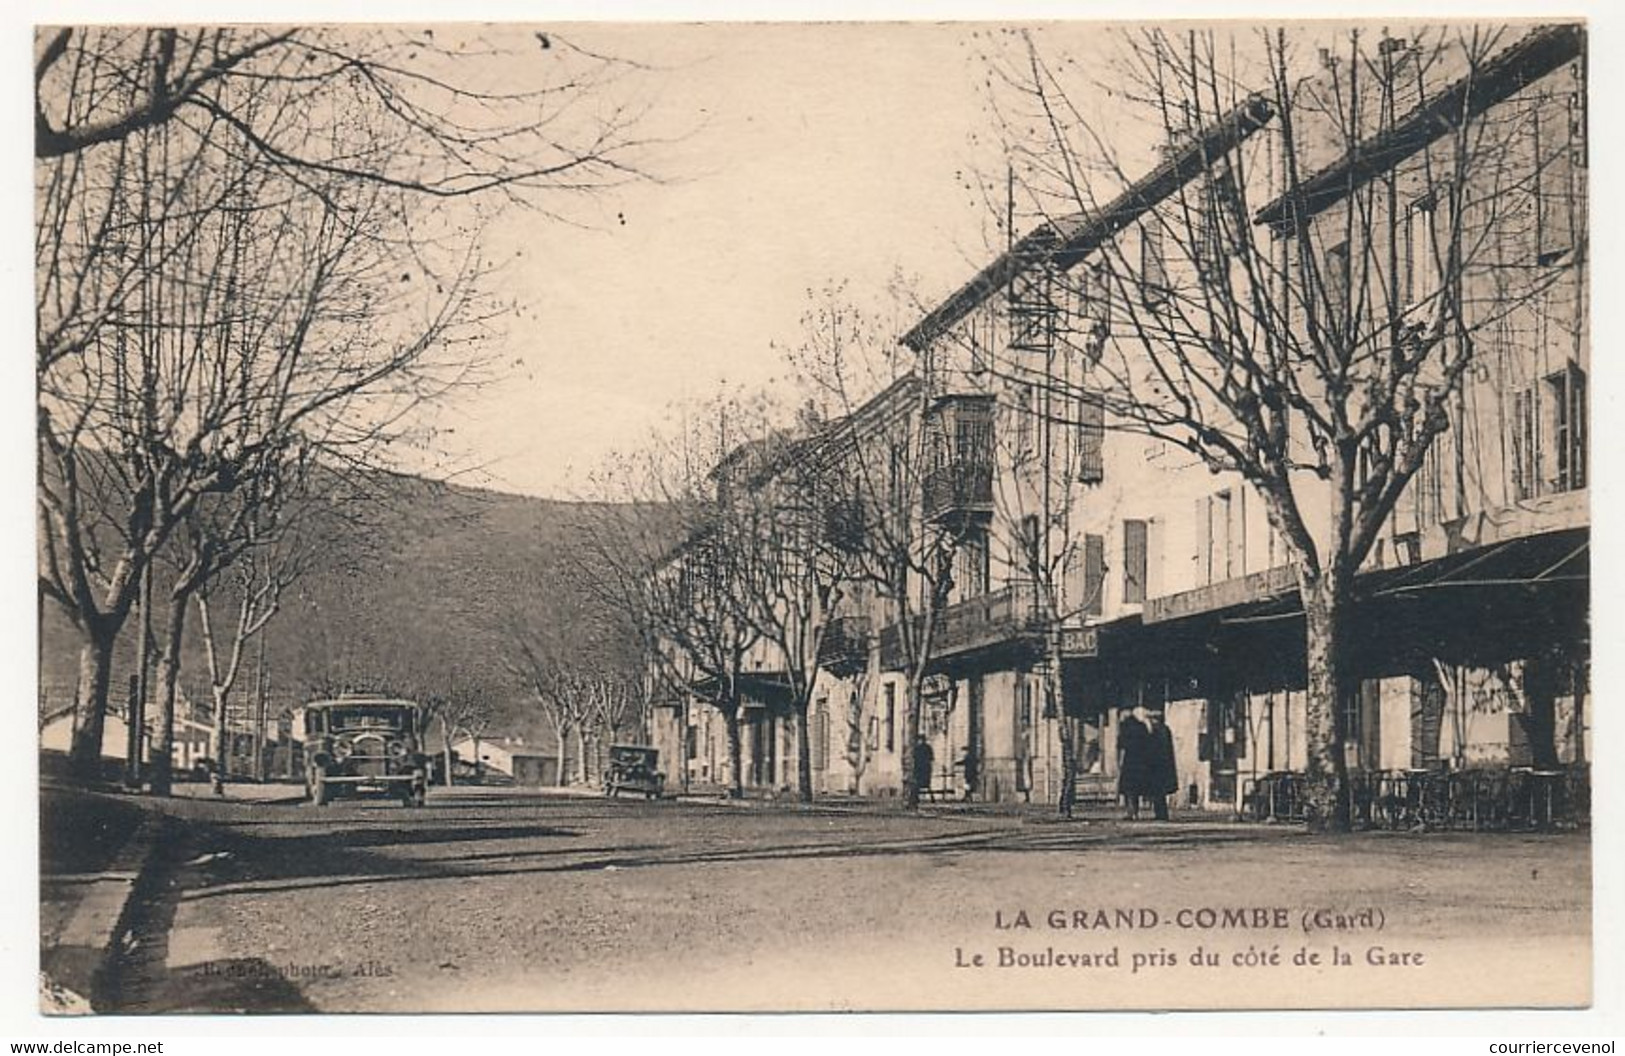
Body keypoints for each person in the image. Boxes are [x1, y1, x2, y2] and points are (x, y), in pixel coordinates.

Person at [1117, 705, 1151, 820]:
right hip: (1141, 761)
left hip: (1129, 761)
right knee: (1136, 788)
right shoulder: (1142, 726)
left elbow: (1121, 746)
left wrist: (1119, 762)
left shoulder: (1125, 728)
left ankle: (1130, 812)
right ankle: (1135, 812)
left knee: (1128, 788)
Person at [1143, 710, 1179, 821]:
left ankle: (1161, 814)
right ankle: (1161, 813)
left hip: (1158, 766)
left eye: (1152, 719)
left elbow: (1155, 748)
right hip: (1163, 765)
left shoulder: (1157, 731)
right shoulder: (1165, 730)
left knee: (1158, 792)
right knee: (1159, 792)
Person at [912, 735, 935, 800]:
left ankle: (915, 798)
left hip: (922, 769)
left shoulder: (920, 748)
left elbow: (931, 758)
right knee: (921, 784)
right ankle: (915, 798)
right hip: (923, 769)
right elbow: (931, 758)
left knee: (918, 784)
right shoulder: (926, 748)